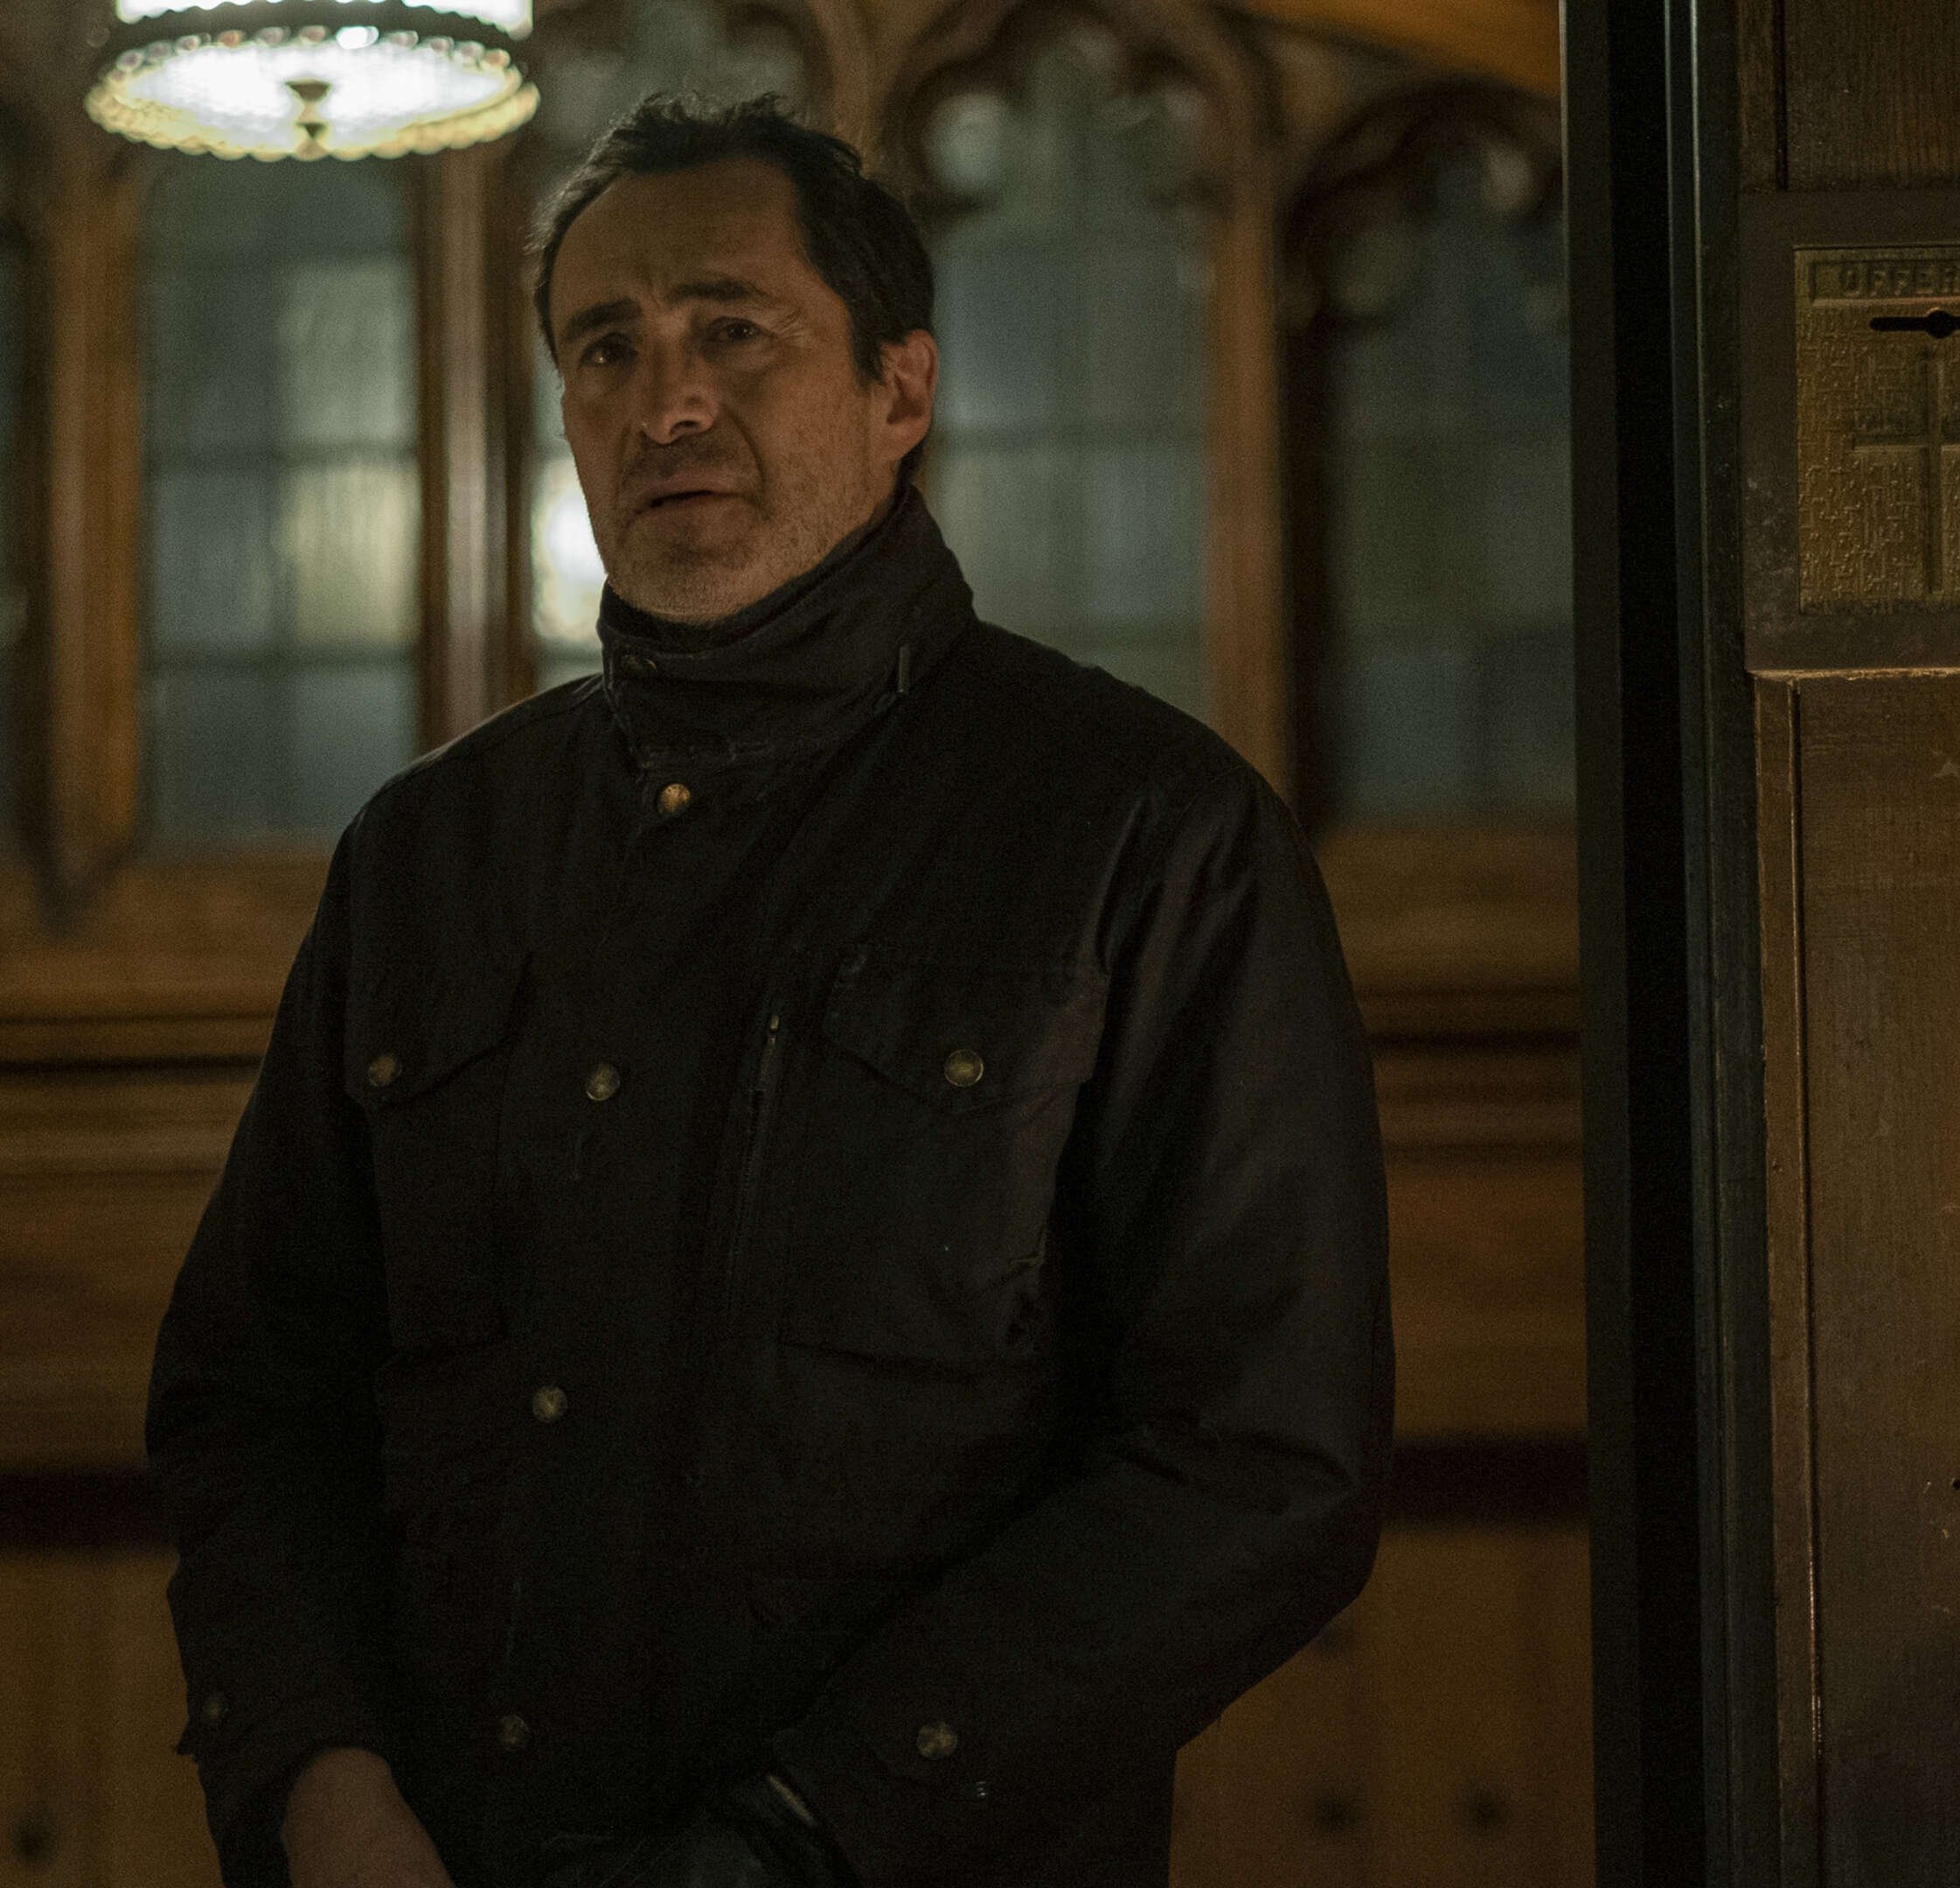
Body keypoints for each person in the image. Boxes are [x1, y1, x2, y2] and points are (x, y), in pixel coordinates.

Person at [145, 94, 1390, 1888]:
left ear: (901, 390)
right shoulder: (430, 853)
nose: (667, 405)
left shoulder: (1141, 834)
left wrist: (803, 1841)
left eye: (733, 331)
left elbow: (1262, 1462)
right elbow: (256, 1394)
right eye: (608, 348)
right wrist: (318, 1790)